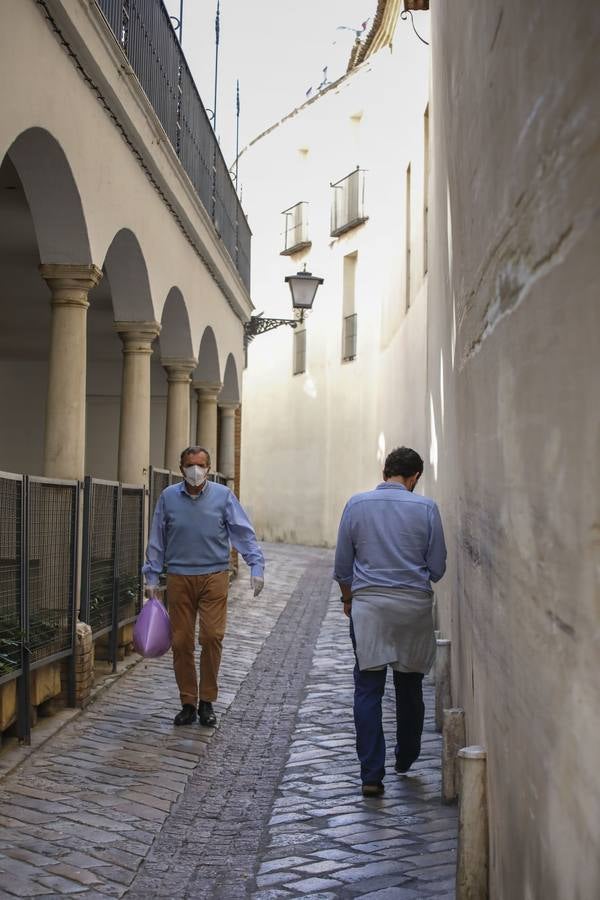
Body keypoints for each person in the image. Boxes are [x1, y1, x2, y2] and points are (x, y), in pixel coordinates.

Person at [334, 446, 446, 797]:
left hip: (369, 607)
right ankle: (406, 756)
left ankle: (371, 774)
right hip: (412, 606)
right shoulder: (427, 508)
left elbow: (342, 567)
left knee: (368, 688)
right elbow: (438, 568)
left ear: (386, 473)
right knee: (410, 686)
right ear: (414, 478)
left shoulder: (356, 505)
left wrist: (349, 600)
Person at [143, 445, 265, 727]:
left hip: (214, 576)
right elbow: (157, 539)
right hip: (179, 577)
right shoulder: (168, 497)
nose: (195, 470)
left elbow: (242, 532)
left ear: (208, 468)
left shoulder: (223, 497)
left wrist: (255, 566)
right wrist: (151, 576)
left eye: (200, 465)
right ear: (181, 467)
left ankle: (207, 700)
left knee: (212, 637)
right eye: (189, 465)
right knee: (181, 641)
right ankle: (188, 701)